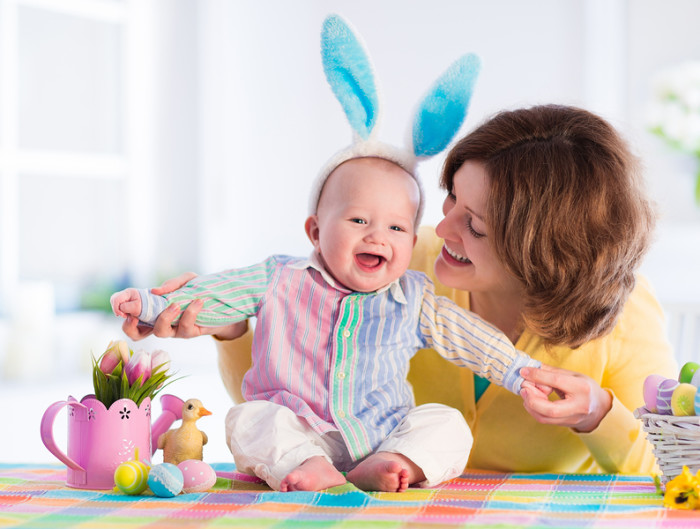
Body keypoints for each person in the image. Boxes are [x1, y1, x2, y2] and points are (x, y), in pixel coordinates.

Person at [124, 104, 678, 476]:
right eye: (450, 199)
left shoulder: (624, 315)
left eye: (476, 226)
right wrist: (231, 327)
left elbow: (675, 473)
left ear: (545, 252)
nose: (445, 230)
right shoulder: (395, 259)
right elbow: (276, 396)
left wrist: (596, 414)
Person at [112, 155, 543, 492]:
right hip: (299, 429)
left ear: (412, 244)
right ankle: (307, 465)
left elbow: (470, 338)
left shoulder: (413, 298)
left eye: (396, 227)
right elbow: (216, 292)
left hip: (383, 433)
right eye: (359, 220)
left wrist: (520, 373)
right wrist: (150, 304)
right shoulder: (279, 278)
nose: (377, 236)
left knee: (447, 424)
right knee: (249, 419)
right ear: (316, 231)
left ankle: (395, 464)